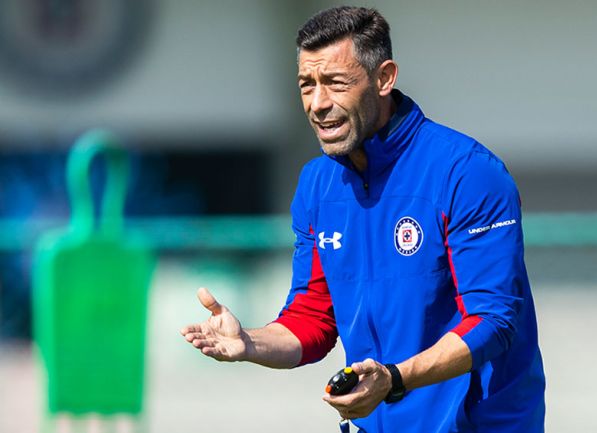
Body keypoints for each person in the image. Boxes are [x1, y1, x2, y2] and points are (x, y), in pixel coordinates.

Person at [181, 6, 545, 433]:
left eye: (335, 83)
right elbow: (312, 318)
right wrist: (249, 343)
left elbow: (493, 321)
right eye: (307, 85)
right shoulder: (318, 184)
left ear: (384, 78)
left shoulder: (466, 173)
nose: (318, 104)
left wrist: (393, 379)